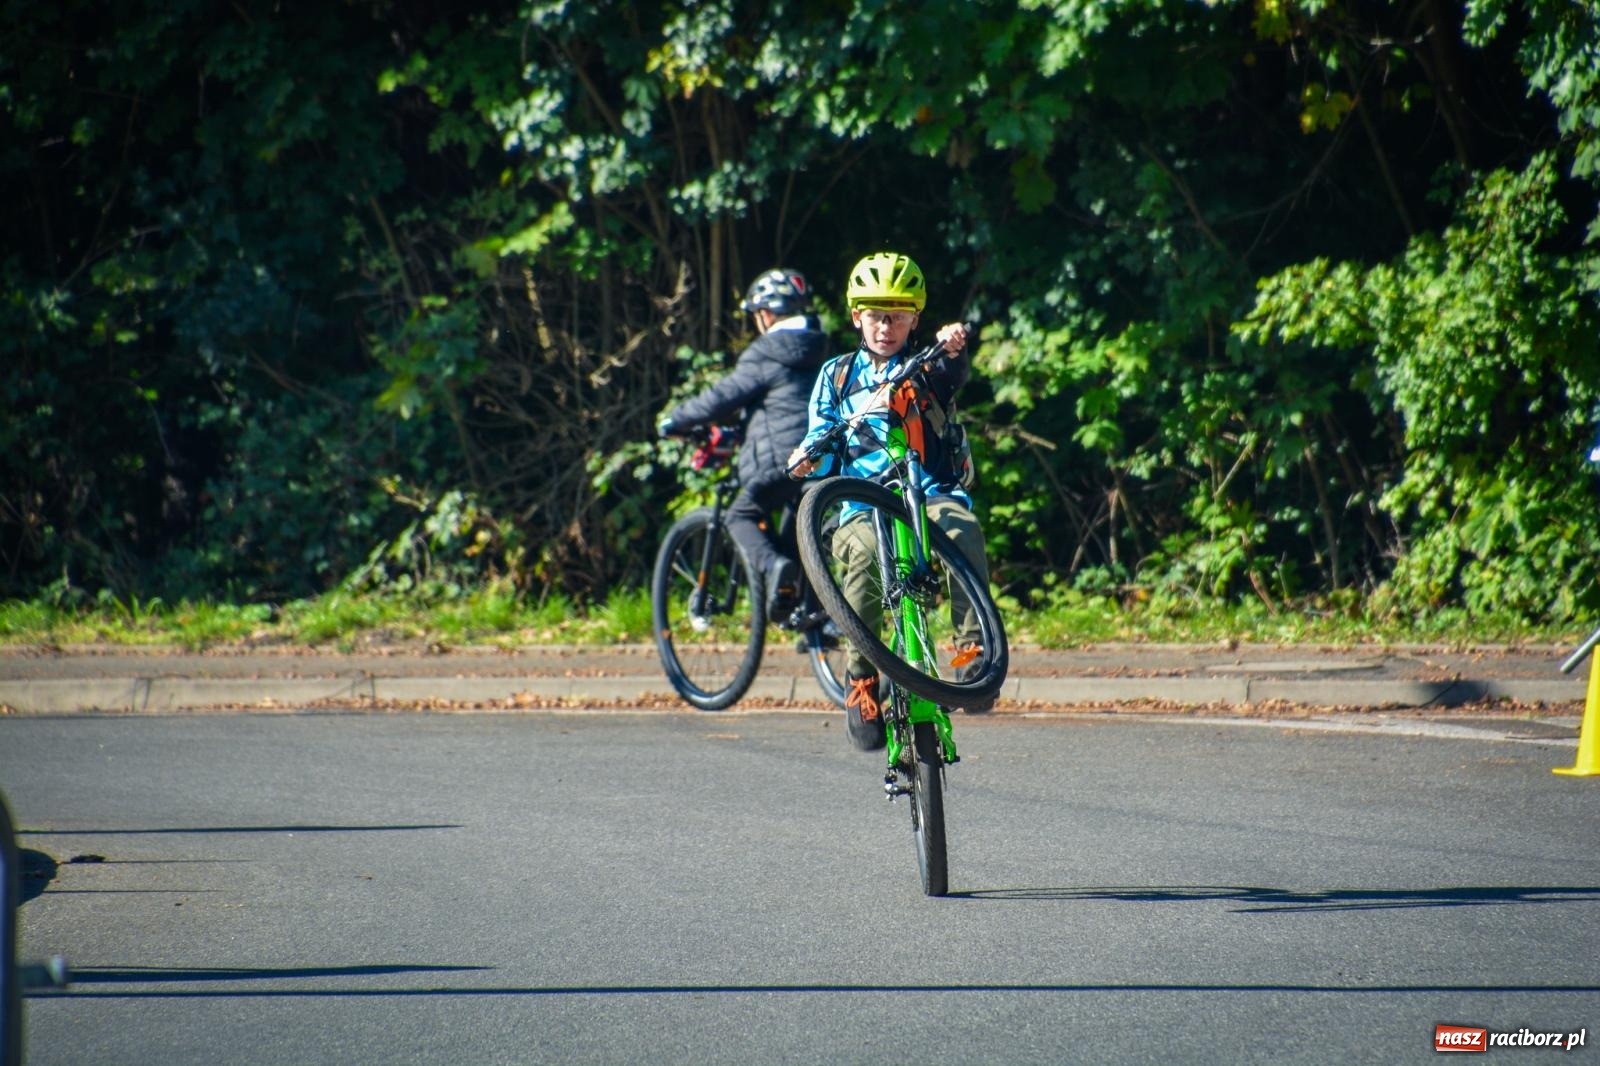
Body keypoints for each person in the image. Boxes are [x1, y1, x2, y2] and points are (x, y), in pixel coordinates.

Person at [788, 251, 995, 750]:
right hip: (864, 504)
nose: (887, 326)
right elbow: (820, 442)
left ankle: (973, 653)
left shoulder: (925, 367)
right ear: (857, 316)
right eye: (877, 315)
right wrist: (805, 460)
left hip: (928, 494)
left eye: (898, 315)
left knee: (962, 529)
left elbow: (953, 375)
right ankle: (862, 680)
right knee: (859, 559)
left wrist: (953, 346)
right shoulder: (836, 377)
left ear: (914, 319)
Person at [658, 268, 831, 620]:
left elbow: (725, 396)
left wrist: (677, 420)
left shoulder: (767, 350)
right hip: (823, 454)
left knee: (740, 515)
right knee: (800, 532)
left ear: (767, 313)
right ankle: (812, 619)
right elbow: (786, 404)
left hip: (781, 457)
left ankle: (773, 568)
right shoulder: (819, 348)